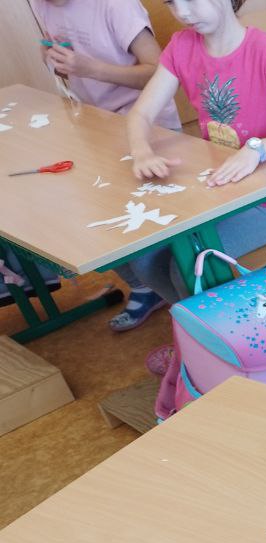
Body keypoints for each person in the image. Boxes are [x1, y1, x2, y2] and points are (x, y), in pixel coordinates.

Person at [122, 0, 266, 369]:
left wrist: (257, 149)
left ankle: (224, 354)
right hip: (220, 194)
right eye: (172, 2)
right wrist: (141, 151)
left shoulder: (263, 49)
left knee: (185, 266)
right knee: (144, 257)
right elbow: (141, 113)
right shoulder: (182, 46)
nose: (182, 12)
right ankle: (210, 337)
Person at [31, 0, 180, 330]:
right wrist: (58, 62)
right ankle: (145, 286)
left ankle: (174, 289)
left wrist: (91, 69)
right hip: (98, 125)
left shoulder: (115, 5)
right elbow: (70, 64)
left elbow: (161, 71)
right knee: (94, 219)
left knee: (142, 225)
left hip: (150, 128)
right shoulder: (43, 5)